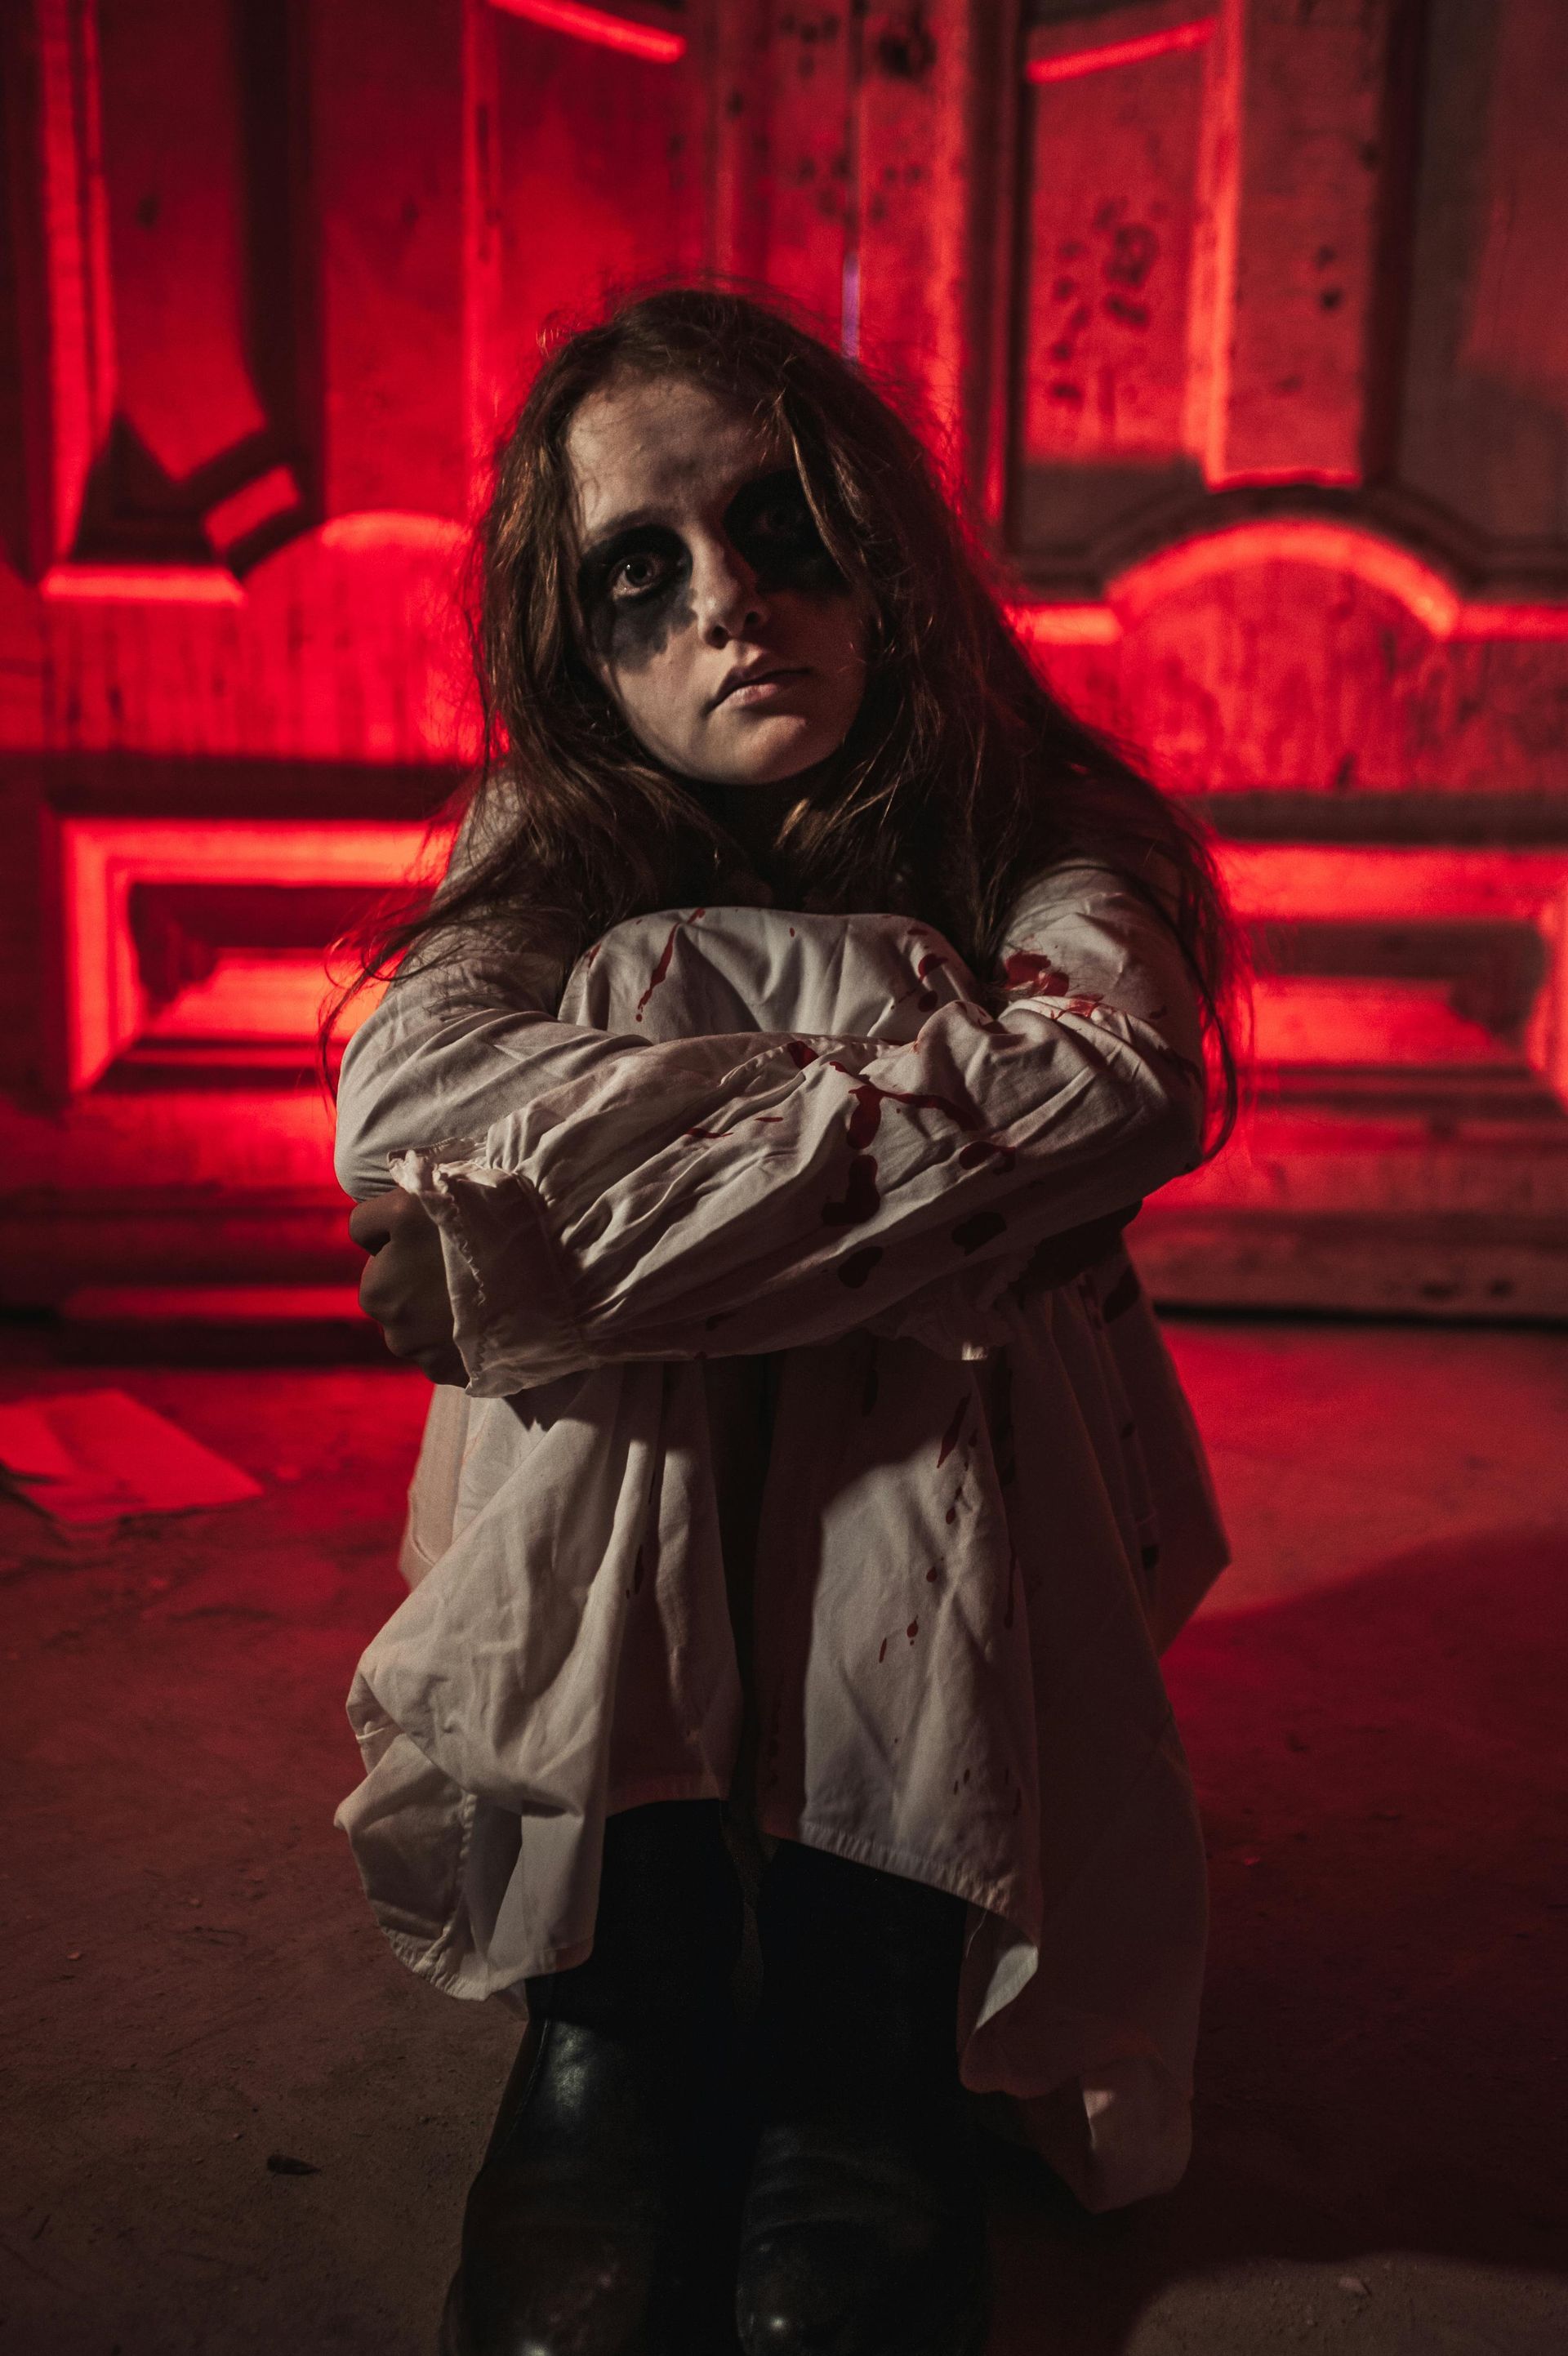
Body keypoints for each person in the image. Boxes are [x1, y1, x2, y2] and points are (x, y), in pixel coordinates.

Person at [335, 287, 1240, 2356]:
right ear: (577, 650)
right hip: (644, 1472)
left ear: (886, 557)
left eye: (780, 528)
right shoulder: (544, 837)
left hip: (978, 1476)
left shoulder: (1048, 822)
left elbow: (1105, 1090)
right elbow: (400, 1107)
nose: (728, 607)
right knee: (697, 1008)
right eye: (639, 576)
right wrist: (831, 1151)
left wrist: (557, 1247)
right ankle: (625, 2010)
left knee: (735, 1094)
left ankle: (861, 2016)